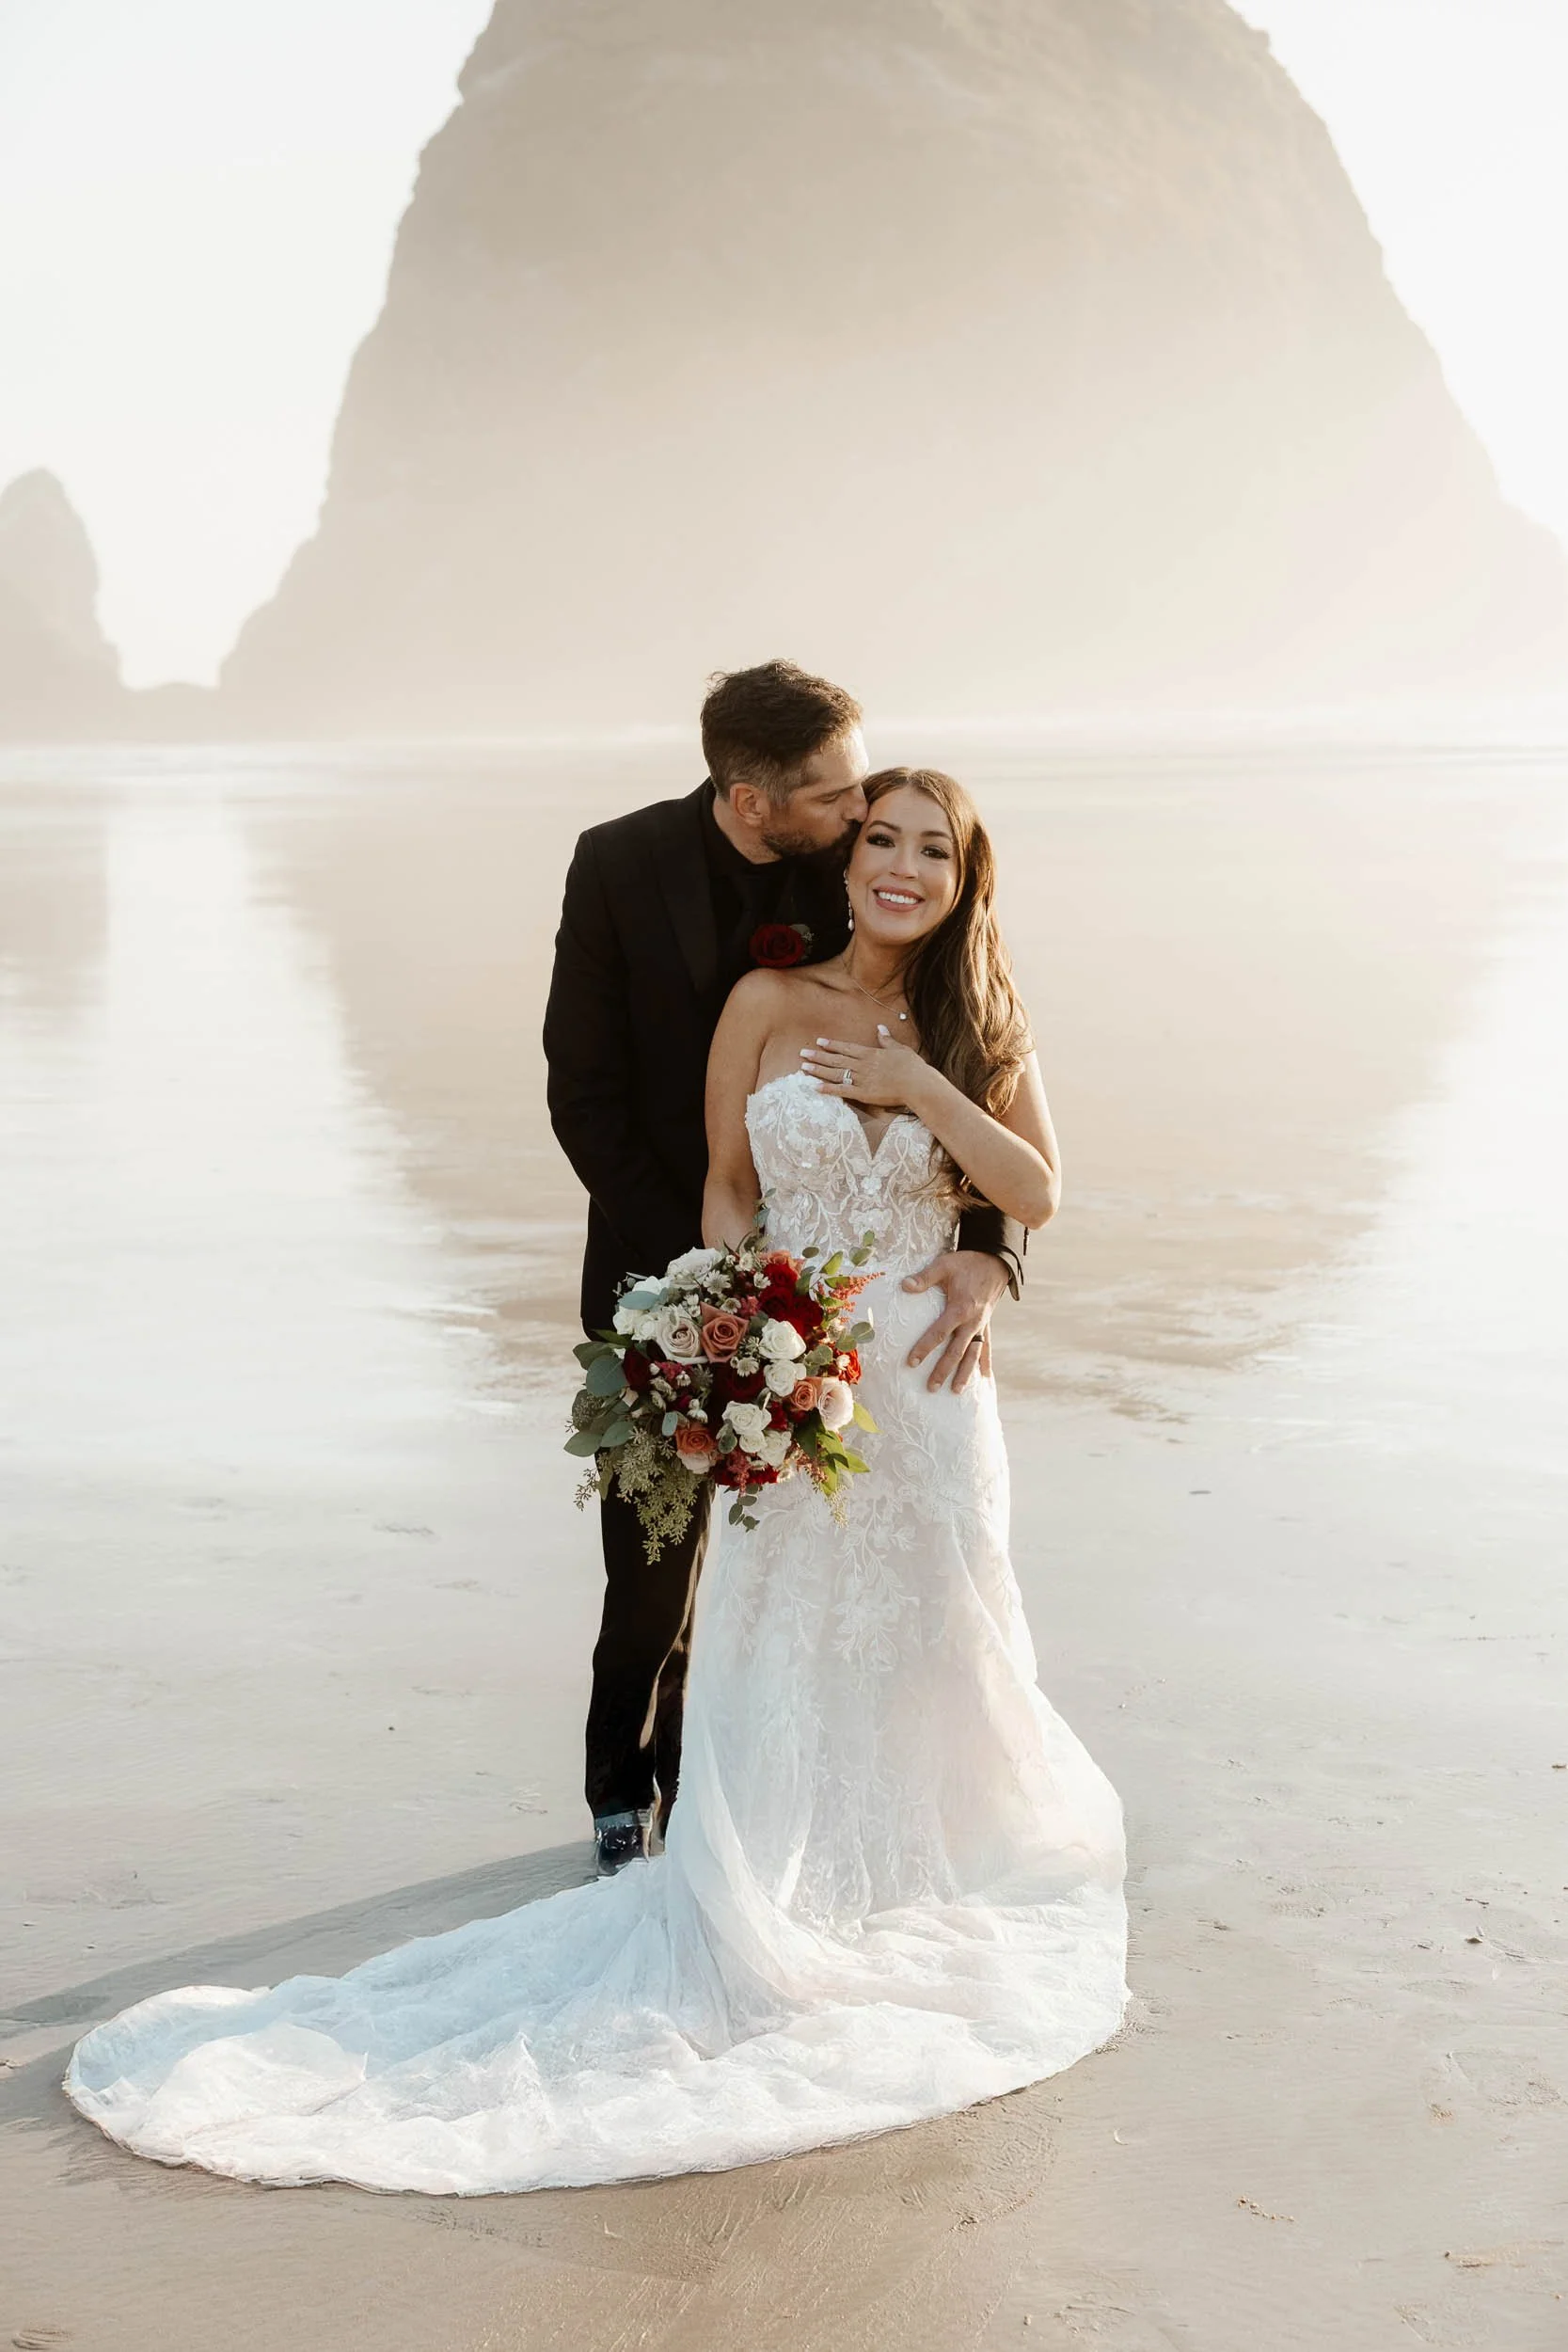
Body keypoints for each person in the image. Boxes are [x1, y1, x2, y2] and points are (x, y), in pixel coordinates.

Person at [64, 763, 1128, 2196]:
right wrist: (734, 1333)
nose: (899, 866)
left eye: (930, 852)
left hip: (931, 1397)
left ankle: (916, 1875)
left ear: (963, 878)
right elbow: (726, 1189)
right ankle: (752, 1892)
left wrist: (923, 1094)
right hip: (795, 1379)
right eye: (879, 839)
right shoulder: (765, 1005)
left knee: (932, 1640)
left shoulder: (979, 1026)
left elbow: (1040, 1189)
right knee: (768, 1638)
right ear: (847, 859)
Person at [542, 661, 1024, 1874]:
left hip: (852, 1283)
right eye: (834, 796)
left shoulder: (867, 870)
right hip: (668, 1262)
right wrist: (712, 1290)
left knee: (778, 1558)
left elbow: (971, 1052)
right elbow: (584, 1098)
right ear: (755, 801)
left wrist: (984, 1249)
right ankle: (620, 1781)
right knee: (651, 1561)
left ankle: (731, 1781)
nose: (861, 813)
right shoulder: (614, 863)